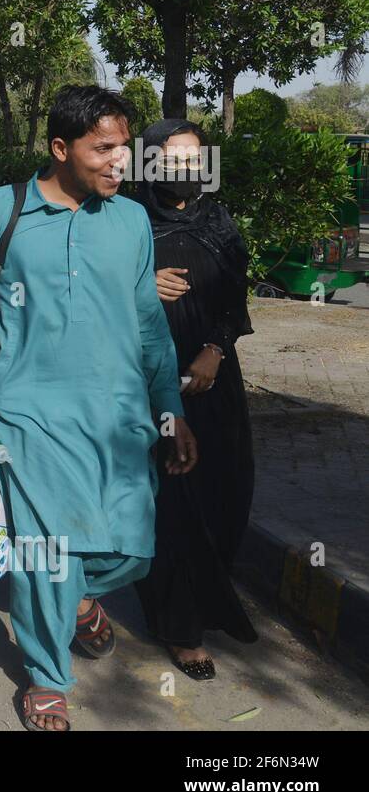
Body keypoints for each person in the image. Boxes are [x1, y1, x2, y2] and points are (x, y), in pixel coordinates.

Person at [0, 86, 198, 732]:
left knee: (132, 549)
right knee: (46, 550)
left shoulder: (131, 221)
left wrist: (170, 408)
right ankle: (47, 677)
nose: (119, 162)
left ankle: (75, 601)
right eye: (103, 149)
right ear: (60, 148)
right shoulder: (2, 211)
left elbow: (147, 321)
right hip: (29, 417)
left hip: (119, 414)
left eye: (123, 149)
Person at [132, 119, 257, 681]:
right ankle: (181, 629)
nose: (185, 168)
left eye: (194, 157)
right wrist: (141, 283)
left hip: (214, 379)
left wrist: (215, 348)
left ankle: (207, 600)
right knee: (172, 503)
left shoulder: (219, 220)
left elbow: (235, 301)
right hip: (149, 379)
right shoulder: (127, 218)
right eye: (172, 158)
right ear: (150, 162)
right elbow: (86, 285)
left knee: (227, 490)